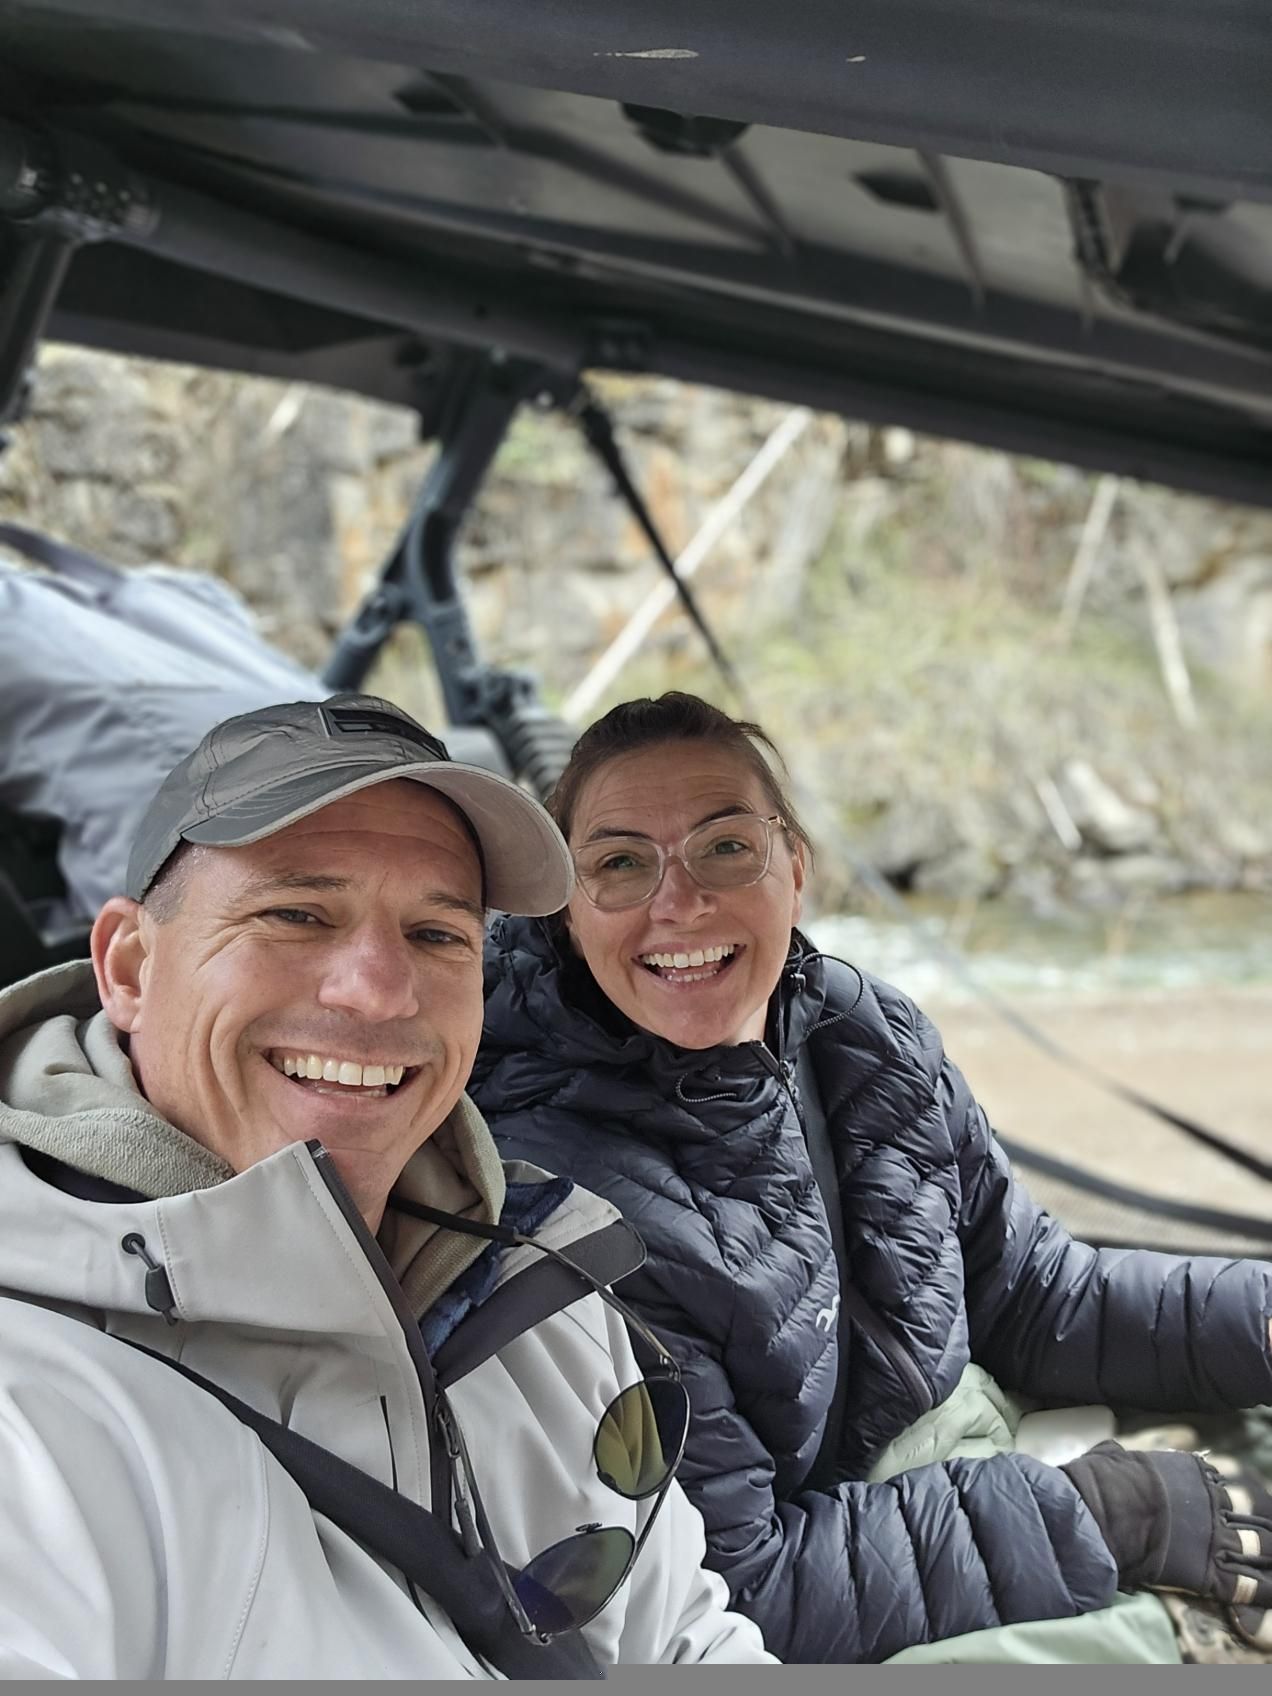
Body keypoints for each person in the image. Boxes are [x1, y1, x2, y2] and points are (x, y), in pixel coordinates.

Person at [470, 690, 1272, 1666]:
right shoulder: (562, 1203)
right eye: (621, 862)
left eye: (726, 847)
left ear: (795, 866)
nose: (677, 903)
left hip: (931, 1467)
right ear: (565, 907)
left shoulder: (860, 1033)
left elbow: (1030, 1294)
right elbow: (733, 1593)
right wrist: (1120, 1509)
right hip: (795, 1602)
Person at [0, 691, 774, 1679]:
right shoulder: (30, 1407)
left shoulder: (546, 1294)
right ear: (129, 967)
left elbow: (682, 1638)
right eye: (295, 913)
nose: (377, 987)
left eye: (436, 934)